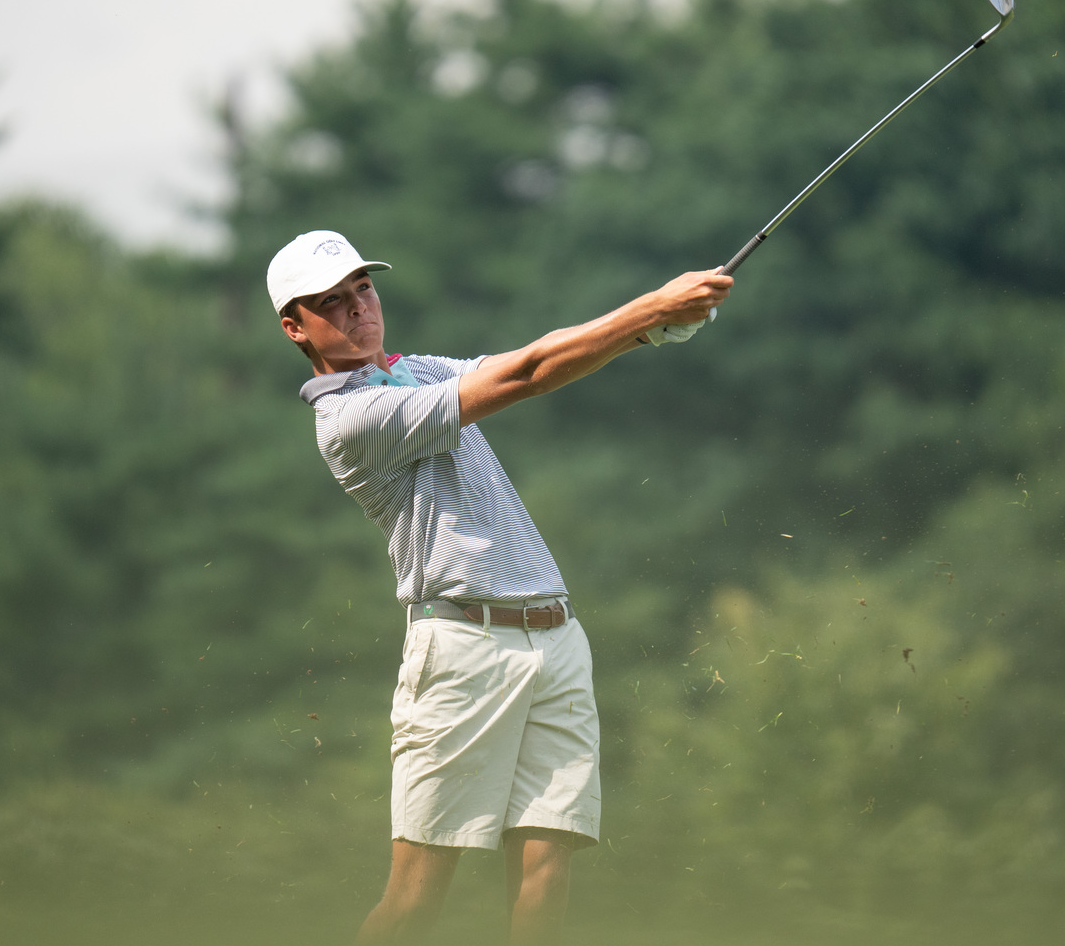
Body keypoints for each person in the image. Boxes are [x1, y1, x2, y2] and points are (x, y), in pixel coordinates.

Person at [267, 230, 731, 945]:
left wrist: (652, 332)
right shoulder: (352, 420)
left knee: (546, 880)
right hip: (461, 650)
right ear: (295, 327)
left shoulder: (414, 371)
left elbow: (524, 359)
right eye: (332, 301)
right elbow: (528, 377)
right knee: (416, 897)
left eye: (363, 288)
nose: (359, 308)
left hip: (556, 638)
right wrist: (646, 310)